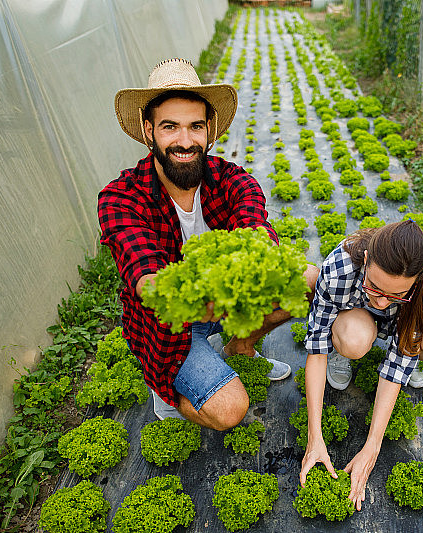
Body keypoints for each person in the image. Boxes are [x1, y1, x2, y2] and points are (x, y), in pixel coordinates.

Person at [98, 58, 318, 430]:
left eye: (195, 127)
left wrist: (247, 279)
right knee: (230, 410)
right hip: (165, 330)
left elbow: (257, 236)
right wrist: (205, 302)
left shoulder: (233, 181)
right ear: (148, 130)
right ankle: (167, 390)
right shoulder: (121, 198)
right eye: (170, 127)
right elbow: (146, 279)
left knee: (309, 278)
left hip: (224, 307)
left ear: (209, 130)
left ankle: (239, 347)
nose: (185, 141)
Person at [299, 220, 423, 511]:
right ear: (368, 260)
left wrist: (372, 447)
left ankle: (416, 351)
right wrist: (315, 437)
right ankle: (344, 352)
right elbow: (316, 350)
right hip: (357, 317)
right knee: (354, 340)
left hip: (405, 322)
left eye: (396, 294)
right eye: (375, 287)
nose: (383, 302)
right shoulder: (340, 267)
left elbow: (395, 370)